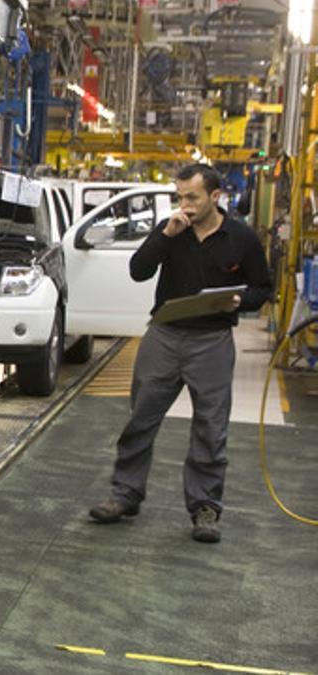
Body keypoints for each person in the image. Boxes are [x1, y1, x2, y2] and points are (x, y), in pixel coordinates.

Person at [88, 163, 272, 543]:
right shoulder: (171, 230)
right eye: (180, 196)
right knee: (140, 418)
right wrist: (165, 236)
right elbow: (138, 270)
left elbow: (262, 288)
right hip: (165, 337)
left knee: (210, 426)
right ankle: (125, 494)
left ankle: (205, 508)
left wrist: (238, 300)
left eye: (192, 197)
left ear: (215, 197)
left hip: (212, 342)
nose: (184, 204)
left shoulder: (241, 238)